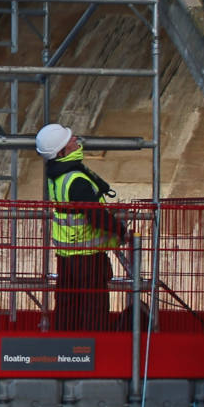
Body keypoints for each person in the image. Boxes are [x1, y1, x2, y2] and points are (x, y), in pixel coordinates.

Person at [35, 122, 126, 332]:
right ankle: (93, 348)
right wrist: (121, 231)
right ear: (61, 151)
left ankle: (66, 345)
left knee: (68, 303)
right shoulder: (76, 180)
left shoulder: (57, 176)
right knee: (93, 305)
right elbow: (96, 217)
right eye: (70, 139)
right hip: (87, 254)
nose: (75, 139)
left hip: (67, 254)